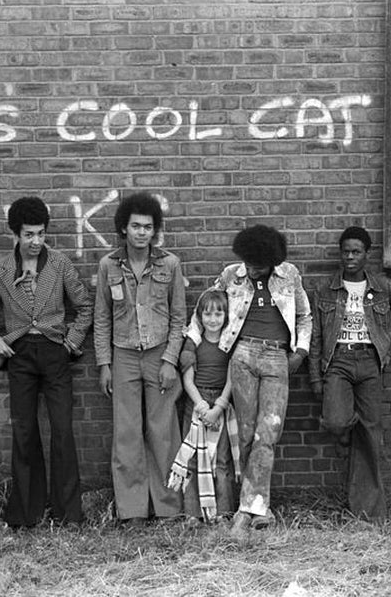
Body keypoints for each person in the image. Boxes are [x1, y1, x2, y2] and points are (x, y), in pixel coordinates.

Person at [0, 196, 94, 528]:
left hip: (55, 353)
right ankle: (26, 513)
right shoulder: (1, 268)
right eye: (28, 235)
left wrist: (70, 344)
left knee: (62, 430)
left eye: (40, 234)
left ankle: (68, 513)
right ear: (15, 234)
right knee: (24, 432)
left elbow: (85, 307)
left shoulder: (60, 264)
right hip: (19, 355)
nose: (36, 241)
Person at [187, 225, 311, 538]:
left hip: (277, 357)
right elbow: (205, 306)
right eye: (248, 262)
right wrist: (191, 343)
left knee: (267, 432)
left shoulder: (289, 275)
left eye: (259, 264)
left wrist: (300, 352)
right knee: (244, 433)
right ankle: (258, 508)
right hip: (241, 355)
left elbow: (304, 316)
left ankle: (247, 510)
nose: (252, 268)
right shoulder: (231, 275)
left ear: (272, 260)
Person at [308, 226, 391, 520]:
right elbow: (316, 336)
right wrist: (316, 378)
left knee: (371, 434)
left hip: (370, 361)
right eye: (345, 252)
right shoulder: (325, 289)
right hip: (338, 362)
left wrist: (389, 352)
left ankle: (369, 511)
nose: (350, 257)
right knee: (336, 420)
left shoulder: (383, 287)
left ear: (366, 254)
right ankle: (348, 432)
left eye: (356, 252)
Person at [94, 192, 186, 524]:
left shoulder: (169, 264)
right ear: (124, 228)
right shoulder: (108, 265)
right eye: (135, 226)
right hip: (123, 355)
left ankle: (168, 506)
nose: (141, 232)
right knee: (127, 433)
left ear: (154, 230)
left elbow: (179, 317)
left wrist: (170, 360)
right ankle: (132, 509)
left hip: (159, 354)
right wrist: (104, 364)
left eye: (148, 227)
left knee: (163, 431)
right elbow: (101, 318)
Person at [168, 290, 241, 526]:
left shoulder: (230, 344)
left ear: (226, 316)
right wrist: (201, 406)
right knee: (192, 458)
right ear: (199, 316)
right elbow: (187, 380)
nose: (213, 319)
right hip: (196, 402)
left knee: (221, 460)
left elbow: (232, 379)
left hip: (221, 403)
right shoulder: (193, 344)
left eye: (218, 314)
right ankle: (193, 513)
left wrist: (218, 407)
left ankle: (223, 512)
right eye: (207, 314)